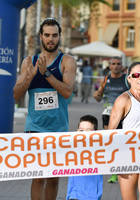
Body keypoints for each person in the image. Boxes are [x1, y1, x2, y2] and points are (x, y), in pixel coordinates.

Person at [13, 18, 77, 200]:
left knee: (53, 178)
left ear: (59, 37)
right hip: (35, 128)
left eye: (54, 35)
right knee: (39, 177)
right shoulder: (28, 62)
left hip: (58, 128)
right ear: (41, 36)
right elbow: (16, 94)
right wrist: (31, 75)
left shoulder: (67, 61)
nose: (51, 39)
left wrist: (46, 74)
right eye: (47, 35)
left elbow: (67, 92)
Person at [108, 62, 140, 200]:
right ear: (129, 78)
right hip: (128, 156)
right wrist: (113, 160)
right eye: (136, 75)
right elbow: (110, 132)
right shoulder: (123, 100)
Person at [93, 57, 128, 183]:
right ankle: (114, 173)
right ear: (110, 66)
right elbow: (99, 95)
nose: (116, 66)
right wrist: (97, 95)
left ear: (122, 66)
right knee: (111, 142)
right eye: (113, 64)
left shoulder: (126, 79)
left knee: (121, 143)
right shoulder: (106, 78)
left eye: (118, 64)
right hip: (107, 114)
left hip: (123, 115)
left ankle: (122, 168)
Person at [66, 115, 103, 200]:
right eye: (81, 130)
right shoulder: (71, 149)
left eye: (88, 131)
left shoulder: (100, 151)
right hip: (74, 195)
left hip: (92, 196)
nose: (84, 134)